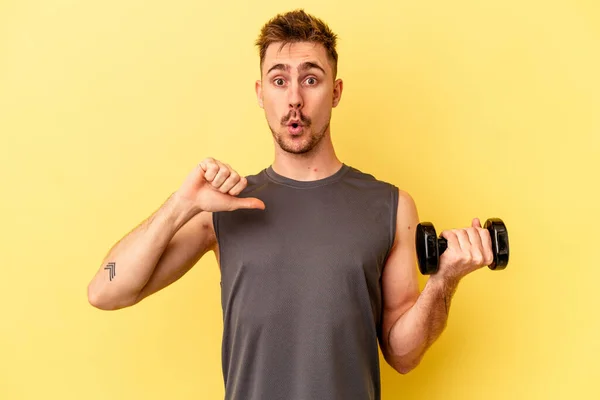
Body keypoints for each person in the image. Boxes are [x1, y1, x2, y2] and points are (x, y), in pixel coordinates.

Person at [87, 9, 495, 400]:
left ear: (335, 92)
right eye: (279, 81)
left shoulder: (390, 206)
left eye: (311, 80)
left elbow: (403, 355)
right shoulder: (223, 207)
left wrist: (443, 282)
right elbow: (106, 288)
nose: (294, 99)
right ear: (260, 93)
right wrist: (180, 205)